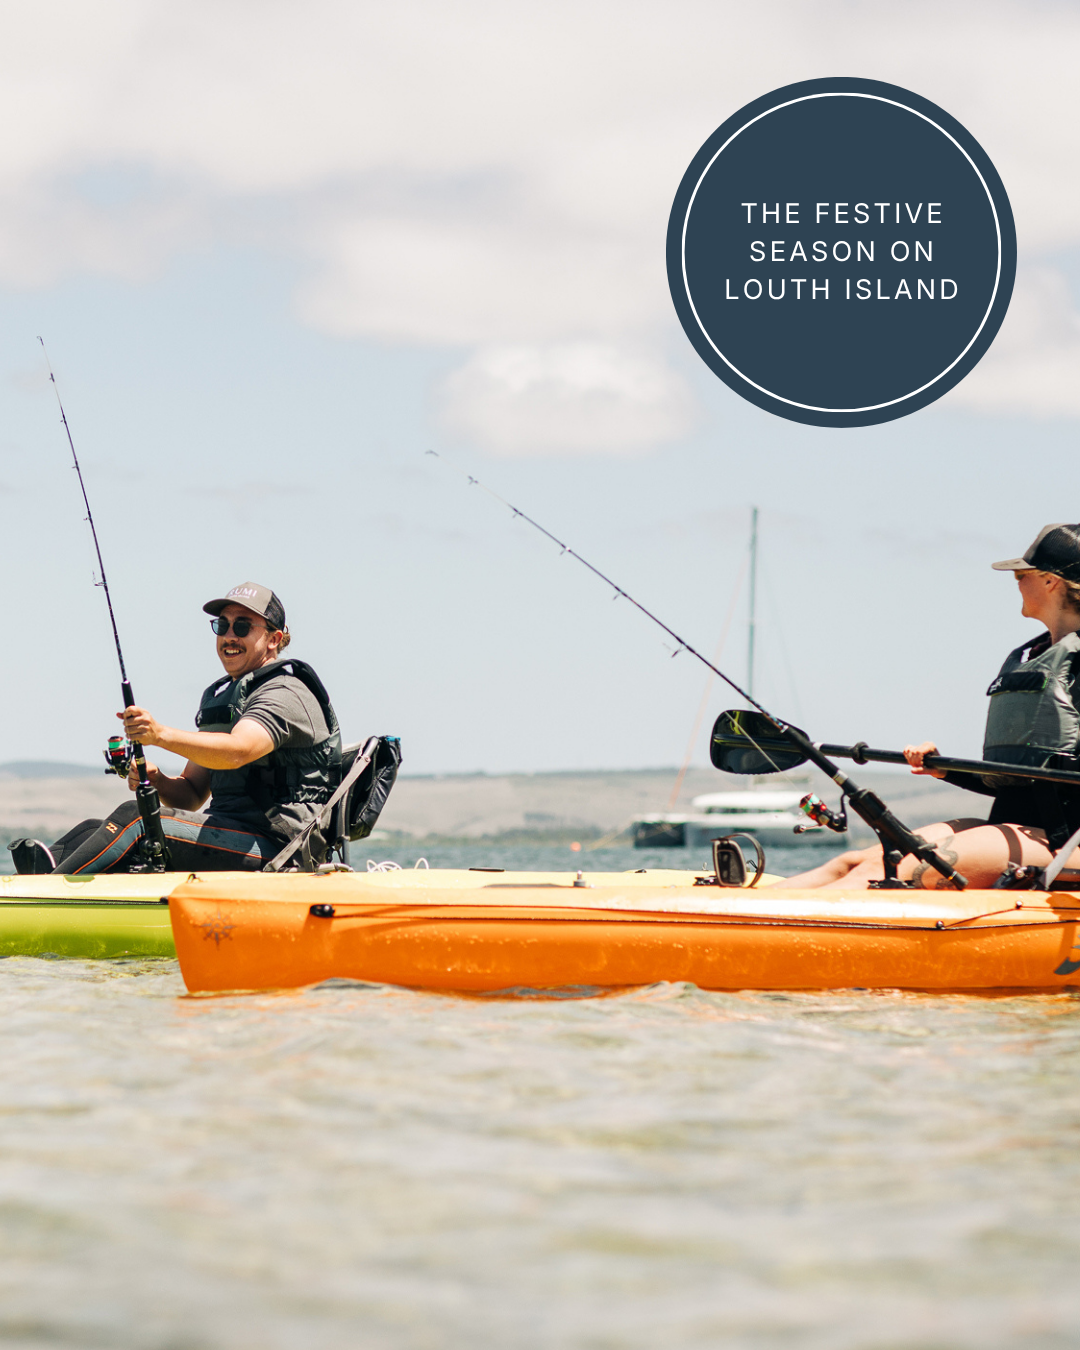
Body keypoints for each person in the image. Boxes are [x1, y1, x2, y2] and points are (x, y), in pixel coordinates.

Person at [780, 525, 1080, 890]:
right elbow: (1025, 778)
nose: (1016, 583)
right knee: (856, 862)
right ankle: (732, 916)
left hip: (1063, 841)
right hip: (1018, 826)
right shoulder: (1034, 656)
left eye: (1022, 575)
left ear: (1051, 581)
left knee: (889, 874)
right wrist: (946, 770)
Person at [11, 582, 341, 874]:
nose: (229, 636)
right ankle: (26, 890)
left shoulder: (285, 692)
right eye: (221, 625)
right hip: (230, 833)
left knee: (136, 819)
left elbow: (239, 751)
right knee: (91, 830)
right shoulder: (224, 698)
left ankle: (38, 902)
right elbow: (193, 794)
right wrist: (159, 781)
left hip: (279, 847)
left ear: (274, 639)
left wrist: (160, 735)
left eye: (242, 626)